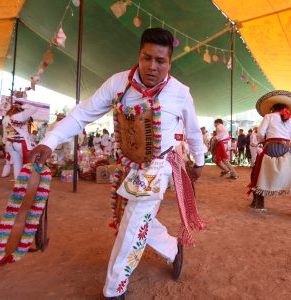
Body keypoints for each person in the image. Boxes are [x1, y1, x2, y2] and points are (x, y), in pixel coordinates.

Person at [28, 28, 206, 300]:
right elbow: (82, 115)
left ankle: (114, 290)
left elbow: (193, 131)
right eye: (147, 58)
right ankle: (173, 248)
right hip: (128, 166)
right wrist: (49, 142)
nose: (152, 66)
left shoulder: (180, 92)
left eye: (160, 61)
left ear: (170, 62)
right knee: (131, 217)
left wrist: (200, 161)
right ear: (139, 55)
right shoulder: (117, 83)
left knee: (133, 223)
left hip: (159, 167)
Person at [248, 90, 291, 218]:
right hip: (286, 151)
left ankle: (258, 203)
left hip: (271, 148)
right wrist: (287, 144)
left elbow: (260, 134)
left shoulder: (268, 117)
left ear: (272, 109)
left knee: (257, 173)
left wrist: (259, 141)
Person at [2, 102, 37, 179]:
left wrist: (4, 143)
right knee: (27, 163)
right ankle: (25, 183)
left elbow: (4, 132)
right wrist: (23, 106)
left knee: (17, 164)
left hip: (10, 143)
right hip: (21, 143)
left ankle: (18, 185)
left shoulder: (5, 118)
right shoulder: (21, 115)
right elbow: (34, 109)